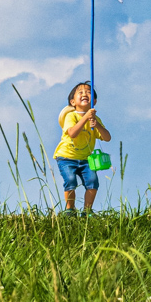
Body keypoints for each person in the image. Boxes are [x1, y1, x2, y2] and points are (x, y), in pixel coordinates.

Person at [53, 81, 111, 214]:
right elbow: (72, 133)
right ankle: (70, 209)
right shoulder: (71, 116)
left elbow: (107, 138)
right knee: (70, 181)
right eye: (80, 92)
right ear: (73, 102)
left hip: (86, 158)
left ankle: (87, 211)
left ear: (94, 101)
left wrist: (97, 125)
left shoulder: (95, 119)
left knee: (92, 182)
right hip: (67, 157)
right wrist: (85, 118)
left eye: (89, 92)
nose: (85, 94)